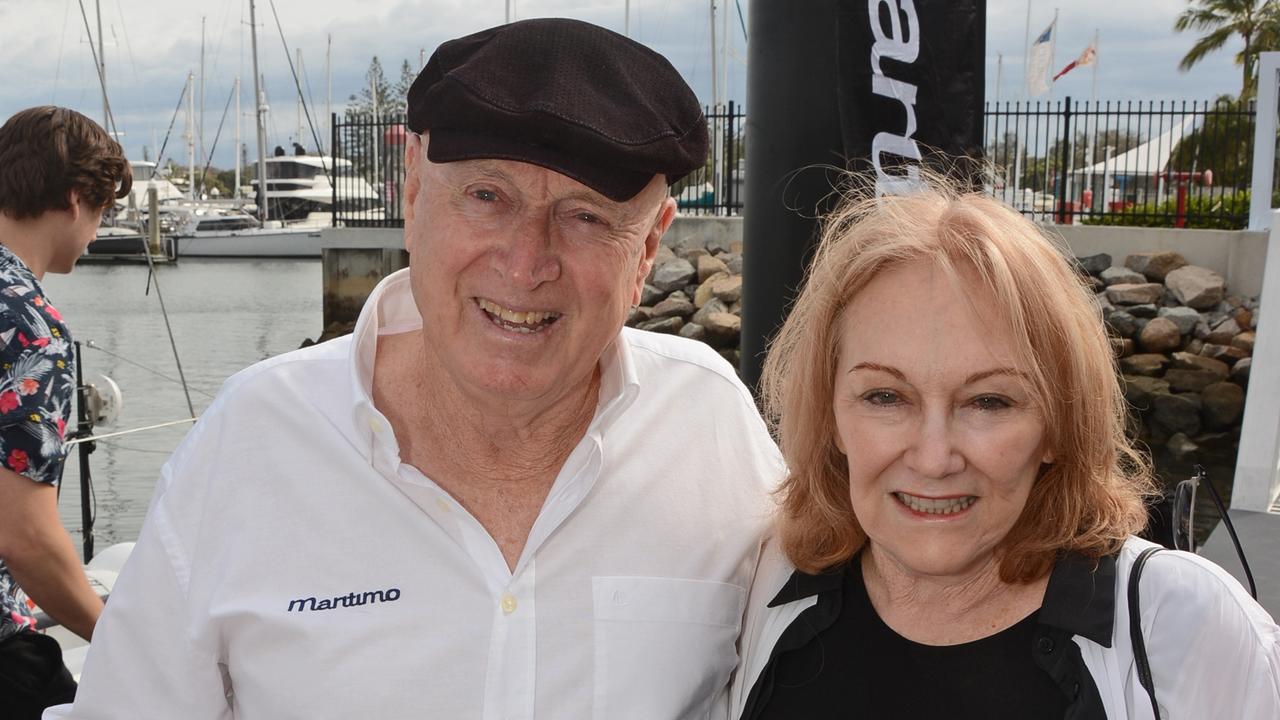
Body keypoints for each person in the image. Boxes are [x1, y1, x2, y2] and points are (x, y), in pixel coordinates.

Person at [49, 19, 782, 719]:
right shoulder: (251, 440)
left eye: (586, 215)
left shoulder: (711, 427)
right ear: (412, 192)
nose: (527, 263)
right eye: (487, 196)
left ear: (650, 244)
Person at [731, 175, 1280, 719]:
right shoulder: (767, 585)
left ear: (1058, 425)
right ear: (829, 414)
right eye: (885, 396)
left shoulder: (1183, 627)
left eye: (989, 402)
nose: (933, 457)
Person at [0, 106, 131, 718]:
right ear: (76, 199)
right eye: (103, 214)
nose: (98, 234)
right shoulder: (27, 329)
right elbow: (24, 534)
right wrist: (120, 638)